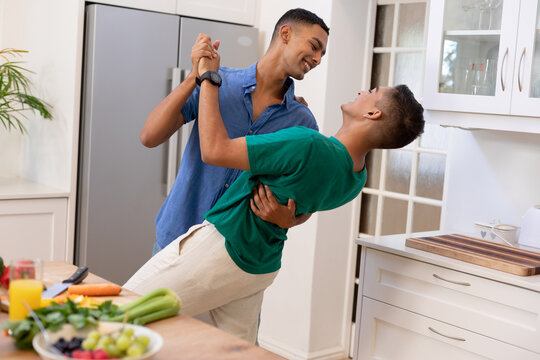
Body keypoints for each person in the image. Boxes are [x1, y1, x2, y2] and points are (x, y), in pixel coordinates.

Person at [124, 36, 425, 344]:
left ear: (373, 114)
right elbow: (300, 201)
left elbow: (214, 149)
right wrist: (289, 219)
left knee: (120, 313)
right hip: (259, 266)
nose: (363, 91)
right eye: (315, 46)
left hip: (223, 246)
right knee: (236, 350)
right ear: (285, 36)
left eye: (372, 93)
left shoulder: (306, 140)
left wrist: (210, 77)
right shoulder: (355, 178)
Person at [140, 8, 330, 256]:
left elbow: (307, 200)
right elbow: (149, 136)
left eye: (322, 54)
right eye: (314, 46)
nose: (317, 59)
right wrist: (196, 76)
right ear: (285, 33)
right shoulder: (218, 82)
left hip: (232, 257)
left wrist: (290, 220)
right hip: (175, 241)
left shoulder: (302, 122)